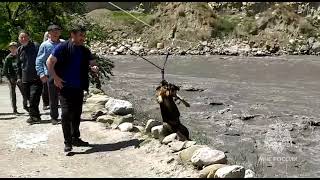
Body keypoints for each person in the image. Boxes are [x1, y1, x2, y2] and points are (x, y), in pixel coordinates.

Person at [47, 25, 99, 152]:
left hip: (79, 87)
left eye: (84, 35)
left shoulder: (84, 50)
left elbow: (92, 62)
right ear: (73, 35)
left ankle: (75, 137)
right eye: (81, 35)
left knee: (76, 114)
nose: (83, 38)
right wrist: (55, 78)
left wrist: (94, 68)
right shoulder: (63, 47)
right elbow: (49, 62)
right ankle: (68, 142)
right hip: (64, 87)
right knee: (65, 114)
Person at [36, 24, 65, 125]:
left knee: (64, 96)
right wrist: (41, 73)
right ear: (49, 33)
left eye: (57, 30)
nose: (56, 32)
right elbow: (39, 60)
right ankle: (54, 117)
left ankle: (65, 116)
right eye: (53, 31)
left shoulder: (63, 43)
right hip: (51, 74)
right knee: (53, 98)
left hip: (63, 74)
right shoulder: (45, 45)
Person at [17, 30, 42, 124]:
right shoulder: (19, 49)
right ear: (19, 39)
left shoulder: (36, 46)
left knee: (33, 97)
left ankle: (33, 117)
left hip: (37, 77)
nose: (23, 39)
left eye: (25, 36)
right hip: (25, 78)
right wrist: (19, 77)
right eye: (21, 37)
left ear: (29, 36)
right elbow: (18, 65)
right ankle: (36, 116)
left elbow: (42, 59)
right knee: (29, 98)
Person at [2, 42, 28, 114]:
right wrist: (9, 79)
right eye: (11, 48)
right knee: (13, 94)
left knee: (24, 93)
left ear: (17, 48)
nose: (13, 49)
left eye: (15, 47)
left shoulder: (20, 56)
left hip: (20, 77)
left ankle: (25, 106)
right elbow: (4, 71)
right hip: (12, 77)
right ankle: (15, 109)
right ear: (9, 49)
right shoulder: (8, 58)